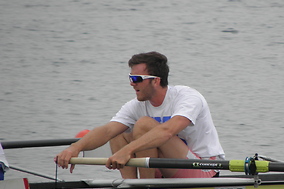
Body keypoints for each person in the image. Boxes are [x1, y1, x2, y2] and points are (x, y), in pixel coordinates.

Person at [55, 51, 225, 179]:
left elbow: (167, 131)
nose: (131, 83)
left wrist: (127, 151)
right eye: (130, 78)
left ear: (155, 80)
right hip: (165, 168)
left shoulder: (188, 98)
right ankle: (132, 188)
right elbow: (107, 131)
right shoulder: (135, 106)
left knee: (144, 125)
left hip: (202, 168)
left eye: (136, 79)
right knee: (119, 132)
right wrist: (74, 148)